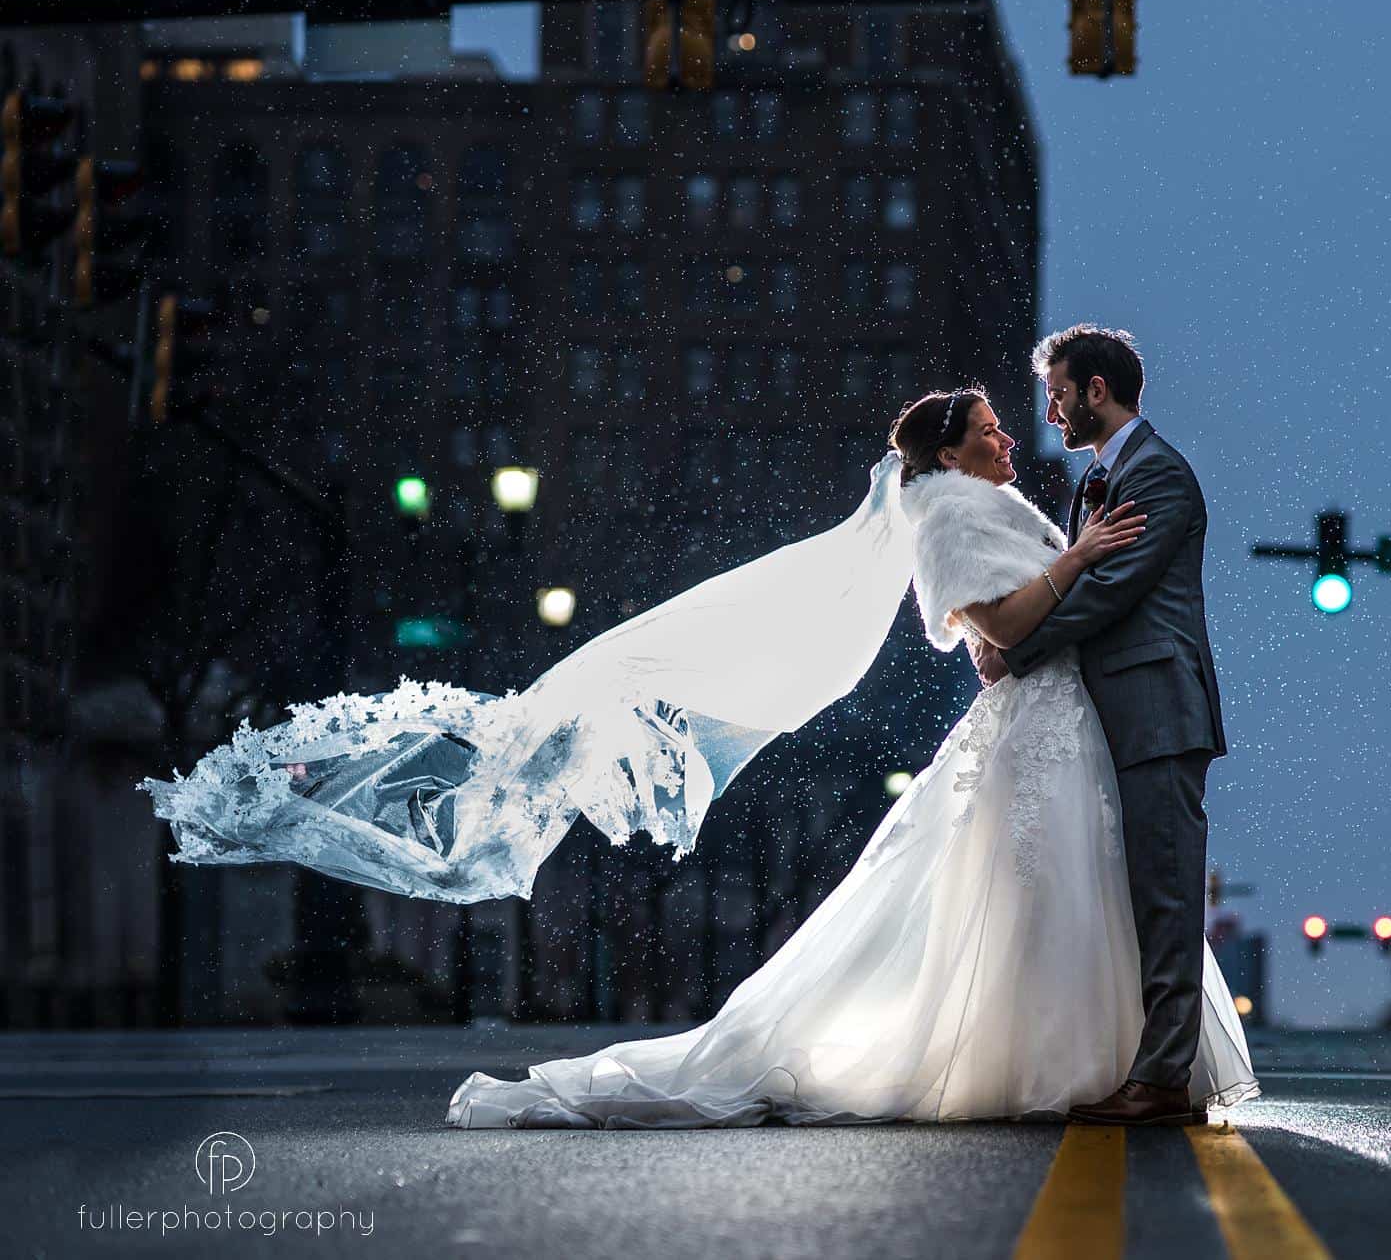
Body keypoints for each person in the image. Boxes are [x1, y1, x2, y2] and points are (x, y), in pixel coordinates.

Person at [140, 377, 1257, 1130]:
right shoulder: (954, 513)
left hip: (1058, 728)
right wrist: (1080, 563)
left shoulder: (983, 503)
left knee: (1057, 895)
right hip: (1040, 737)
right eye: (990, 429)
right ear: (944, 450)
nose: (1011, 437)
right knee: (1026, 894)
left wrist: (1049, 595)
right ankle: (1067, 1060)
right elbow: (1004, 628)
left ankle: (1101, 1057)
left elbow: (997, 647)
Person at [981, 325, 1229, 1127]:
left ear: (1096, 389)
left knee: (1164, 892)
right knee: (1123, 899)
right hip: (1107, 716)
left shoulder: (1158, 476)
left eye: (1058, 392)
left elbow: (1107, 593)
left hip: (1157, 711)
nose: (1050, 410)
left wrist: (1012, 650)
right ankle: (1141, 1063)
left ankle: (1160, 1078)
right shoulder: (1100, 479)